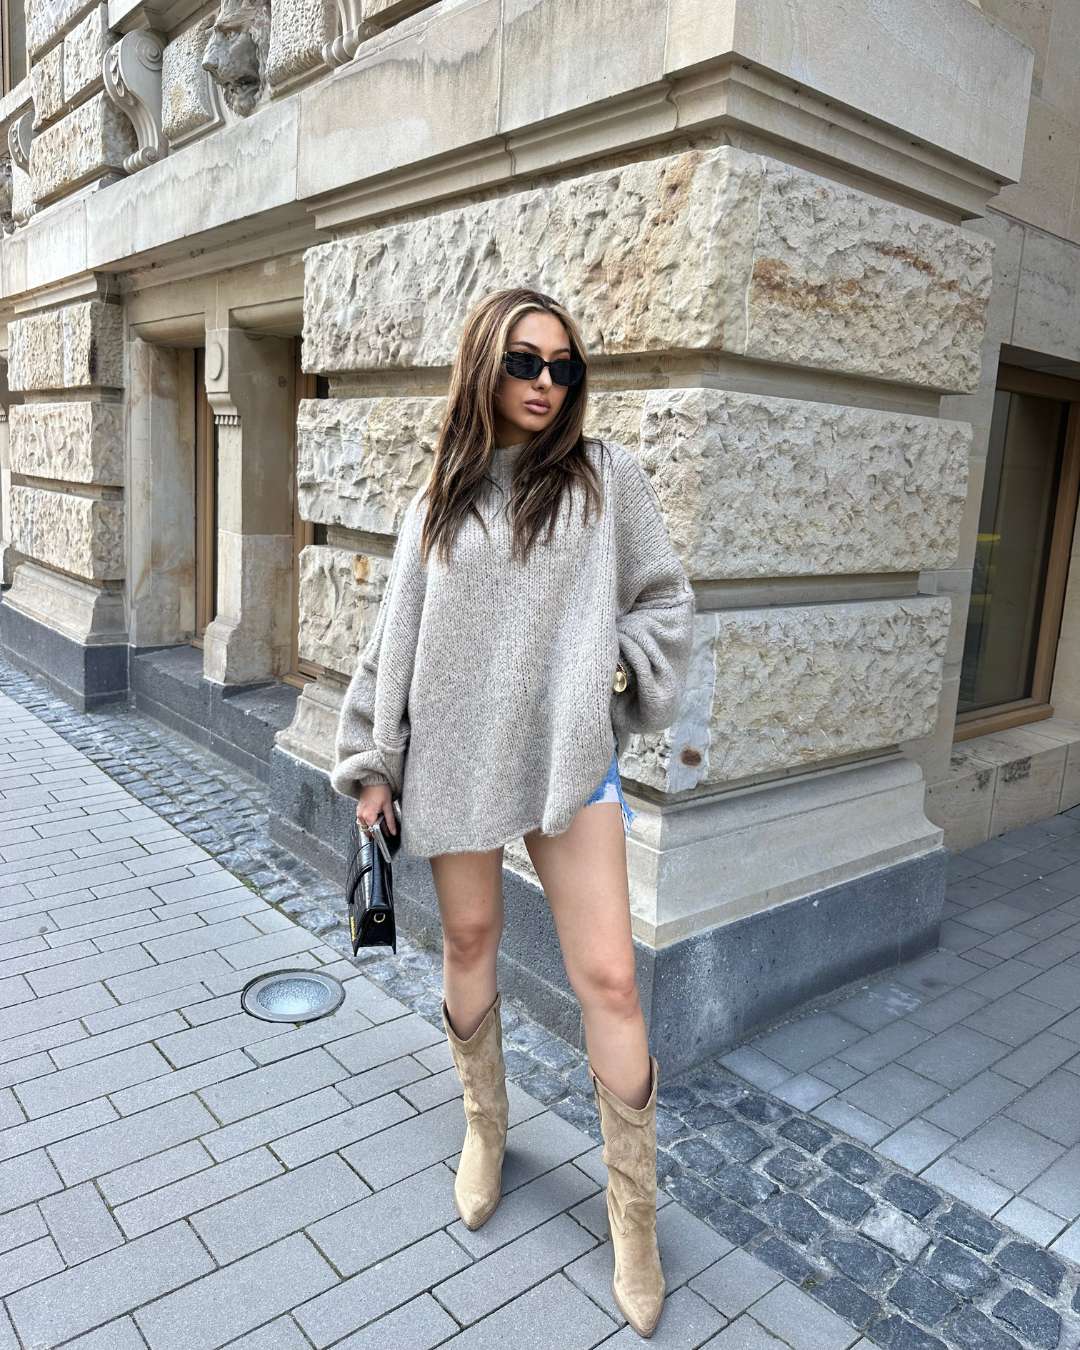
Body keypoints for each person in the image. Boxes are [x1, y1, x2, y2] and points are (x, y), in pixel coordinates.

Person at [330, 286, 695, 1339]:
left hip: (570, 760)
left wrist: (606, 679)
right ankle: (485, 1128)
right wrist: (372, 766)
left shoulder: (604, 479)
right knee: (472, 939)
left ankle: (633, 1219)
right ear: (484, 365)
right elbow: (392, 641)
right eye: (526, 362)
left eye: (564, 367)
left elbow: (666, 601)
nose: (546, 383)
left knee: (610, 976)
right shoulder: (439, 501)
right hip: (454, 754)